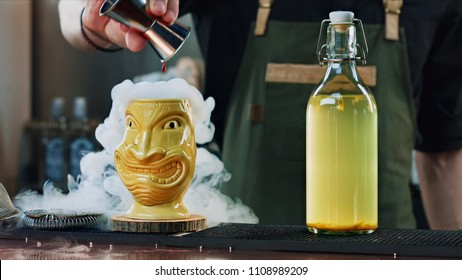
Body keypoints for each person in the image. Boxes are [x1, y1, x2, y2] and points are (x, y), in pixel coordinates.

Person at [58, 0, 462, 230]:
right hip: (241, 255)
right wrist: (87, 18)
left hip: (386, 256)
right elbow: (74, 12)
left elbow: (445, 155)